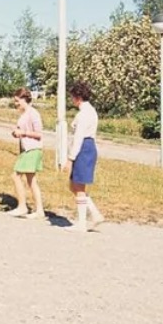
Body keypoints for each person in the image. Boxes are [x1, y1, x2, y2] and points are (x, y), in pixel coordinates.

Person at [63, 80, 104, 232]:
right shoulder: (91, 111)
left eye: (72, 96)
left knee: (79, 186)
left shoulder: (84, 114)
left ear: (77, 97)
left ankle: (81, 223)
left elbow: (78, 137)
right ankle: (94, 213)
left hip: (83, 149)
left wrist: (70, 158)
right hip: (88, 147)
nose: (72, 99)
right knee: (73, 185)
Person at [8, 88, 45, 220]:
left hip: (32, 149)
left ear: (24, 99)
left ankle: (22, 206)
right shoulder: (25, 114)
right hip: (27, 149)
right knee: (31, 180)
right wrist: (16, 132)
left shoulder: (33, 113)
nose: (16, 103)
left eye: (17, 101)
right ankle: (39, 210)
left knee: (16, 176)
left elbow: (39, 134)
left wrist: (23, 133)